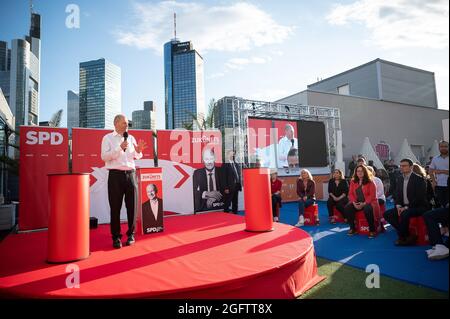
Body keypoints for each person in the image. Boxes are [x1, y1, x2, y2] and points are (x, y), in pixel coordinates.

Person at [101, 114, 147, 249]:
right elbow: (104, 157)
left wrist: (138, 151)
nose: (127, 125)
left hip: (131, 175)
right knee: (115, 208)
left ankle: (131, 234)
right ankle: (116, 237)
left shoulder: (131, 138)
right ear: (116, 123)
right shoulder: (107, 138)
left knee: (132, 206)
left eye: (127, 123)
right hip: (115, 176)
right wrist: (119, 148)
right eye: (124, 123)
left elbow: (135, 156)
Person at [383, 158, 428, 246]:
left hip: (418, 207)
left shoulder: (419, 179)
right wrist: (399, 206)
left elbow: (419, 198)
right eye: (400, 166)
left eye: (404, 166)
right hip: (403, 206)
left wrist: (406, 208)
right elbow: (397, 195)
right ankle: (407, 234)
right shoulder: (399, 179)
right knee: (387, 214)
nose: (401, 167)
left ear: (411, 167)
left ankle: (402, 237)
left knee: (405, 213)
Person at [344, 164, 380, 238]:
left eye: (361, 171)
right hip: (357, 202)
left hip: (369, 202)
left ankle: (372, 230)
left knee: (367, 208)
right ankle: (352, 228)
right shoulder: (353, 181)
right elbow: (350, 194)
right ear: (356, 172)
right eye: (358, 171)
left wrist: (364, 204)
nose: (359, 172)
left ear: (365, 172)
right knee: (348, 207)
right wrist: (354, 203)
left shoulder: (371, 182)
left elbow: (372, 196)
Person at [193, 148, 225, 213]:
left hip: (220, 204)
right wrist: (207, 194)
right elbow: (193, 191)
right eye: (206, 159)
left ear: (214, 159)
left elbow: (227, 189)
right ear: (203, 160)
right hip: (203, 205)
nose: (209, 162)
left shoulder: (222, 171)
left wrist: (214, 197)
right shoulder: (197, 173)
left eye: (211, 158)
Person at [429, 140, 449, 208]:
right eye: (441, 146)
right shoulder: (435, 159)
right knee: (443, 205)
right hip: (439, 186)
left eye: (445, 146)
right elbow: (430, 171)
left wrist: (440, 171)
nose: (443, 148)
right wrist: (434, 181)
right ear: (439, 148)